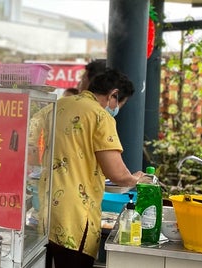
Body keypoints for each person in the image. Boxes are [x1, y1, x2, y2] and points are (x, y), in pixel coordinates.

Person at [43, 69, 146, 268]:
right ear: (113, 95)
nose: (117, 110)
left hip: (45, 208)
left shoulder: (58, 104)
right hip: (74, 216)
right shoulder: (100, 116)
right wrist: (136, 179)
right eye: (119, 105)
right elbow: (117, 174)